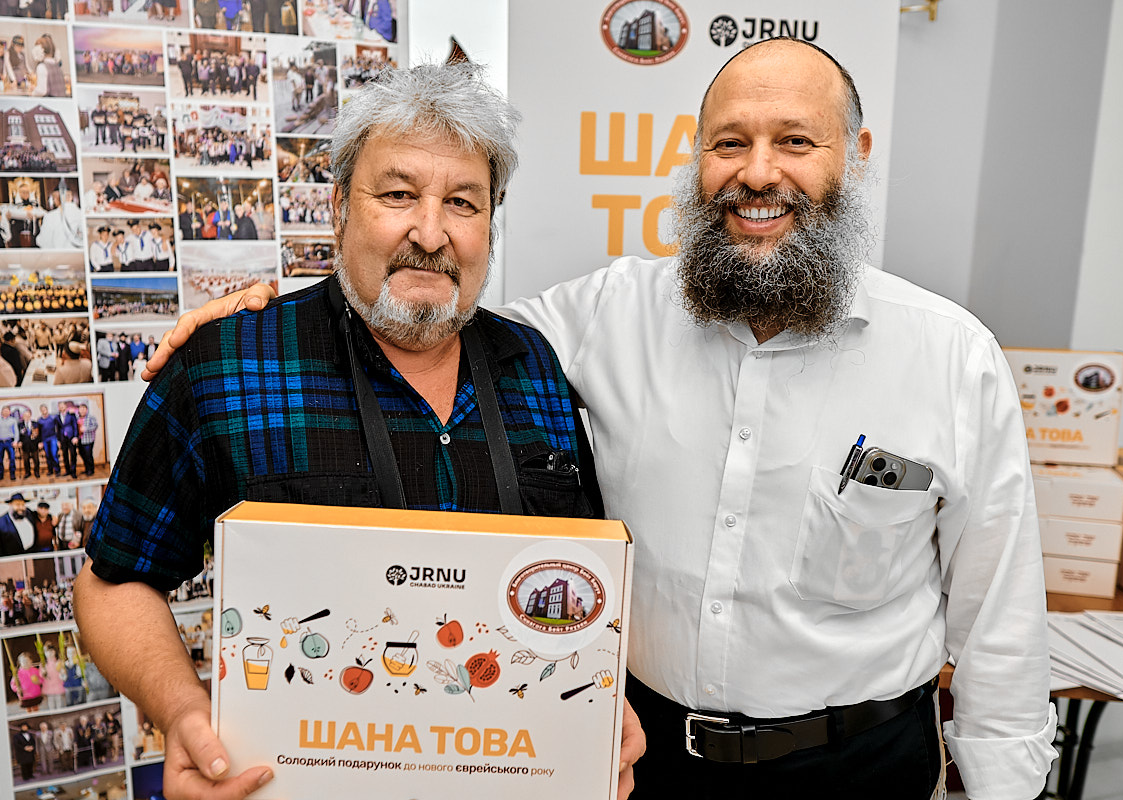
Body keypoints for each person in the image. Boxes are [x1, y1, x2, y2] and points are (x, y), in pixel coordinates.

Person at [164, 41, 1057, 799]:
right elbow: (429, 309)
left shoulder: (951, 357)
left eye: (795, 141)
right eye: (730, 143)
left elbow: (999, 623)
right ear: (697, 159)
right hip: (640, 759)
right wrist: (265, 316)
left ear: (855, 156)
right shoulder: (605, 316)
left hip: (859, 766)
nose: (757, 173)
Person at [75, 61, 631, 800]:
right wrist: (182, 712)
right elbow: (112, 584)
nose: (429, 233)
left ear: (491, 223)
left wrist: (598, 704)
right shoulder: (225, 365)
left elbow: (579, 583)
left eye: (462, 202)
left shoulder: (533, 363)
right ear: (338, 207)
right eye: (398, 194)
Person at [18, 410, 40, 479]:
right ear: (23, 417)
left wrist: (40, 442)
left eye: (28, 415)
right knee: (26, 460)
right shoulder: (20, 425)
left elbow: (39, 434)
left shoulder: (35, 423)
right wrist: (19, 441)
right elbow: (18, 435)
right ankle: (27, 472)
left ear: (30, 416)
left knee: (36, 459)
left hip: (34, 444)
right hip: (25, 445)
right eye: (25, 416)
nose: (26, 417)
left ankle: (36, 472)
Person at [0, 405, 18, 480]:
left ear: (9, 412)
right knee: (0, 460)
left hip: (9, 442)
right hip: (0, 442)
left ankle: (12, 474)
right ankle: (0, 474)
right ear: (1, 411)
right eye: (4, 410)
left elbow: (16, 431)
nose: (5, 412)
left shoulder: (13, 420)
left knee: (12, 459)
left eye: (7, 410)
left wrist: (16, 441)